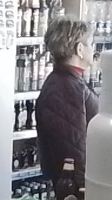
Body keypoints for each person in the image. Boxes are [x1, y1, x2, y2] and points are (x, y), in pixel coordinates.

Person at [35, 16, 99, 190]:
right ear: (80, 49)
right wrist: (83, 190)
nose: (93, 49)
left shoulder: (66, 81)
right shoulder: (66, 88)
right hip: (75, 187)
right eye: (91, 44)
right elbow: (74, 148)